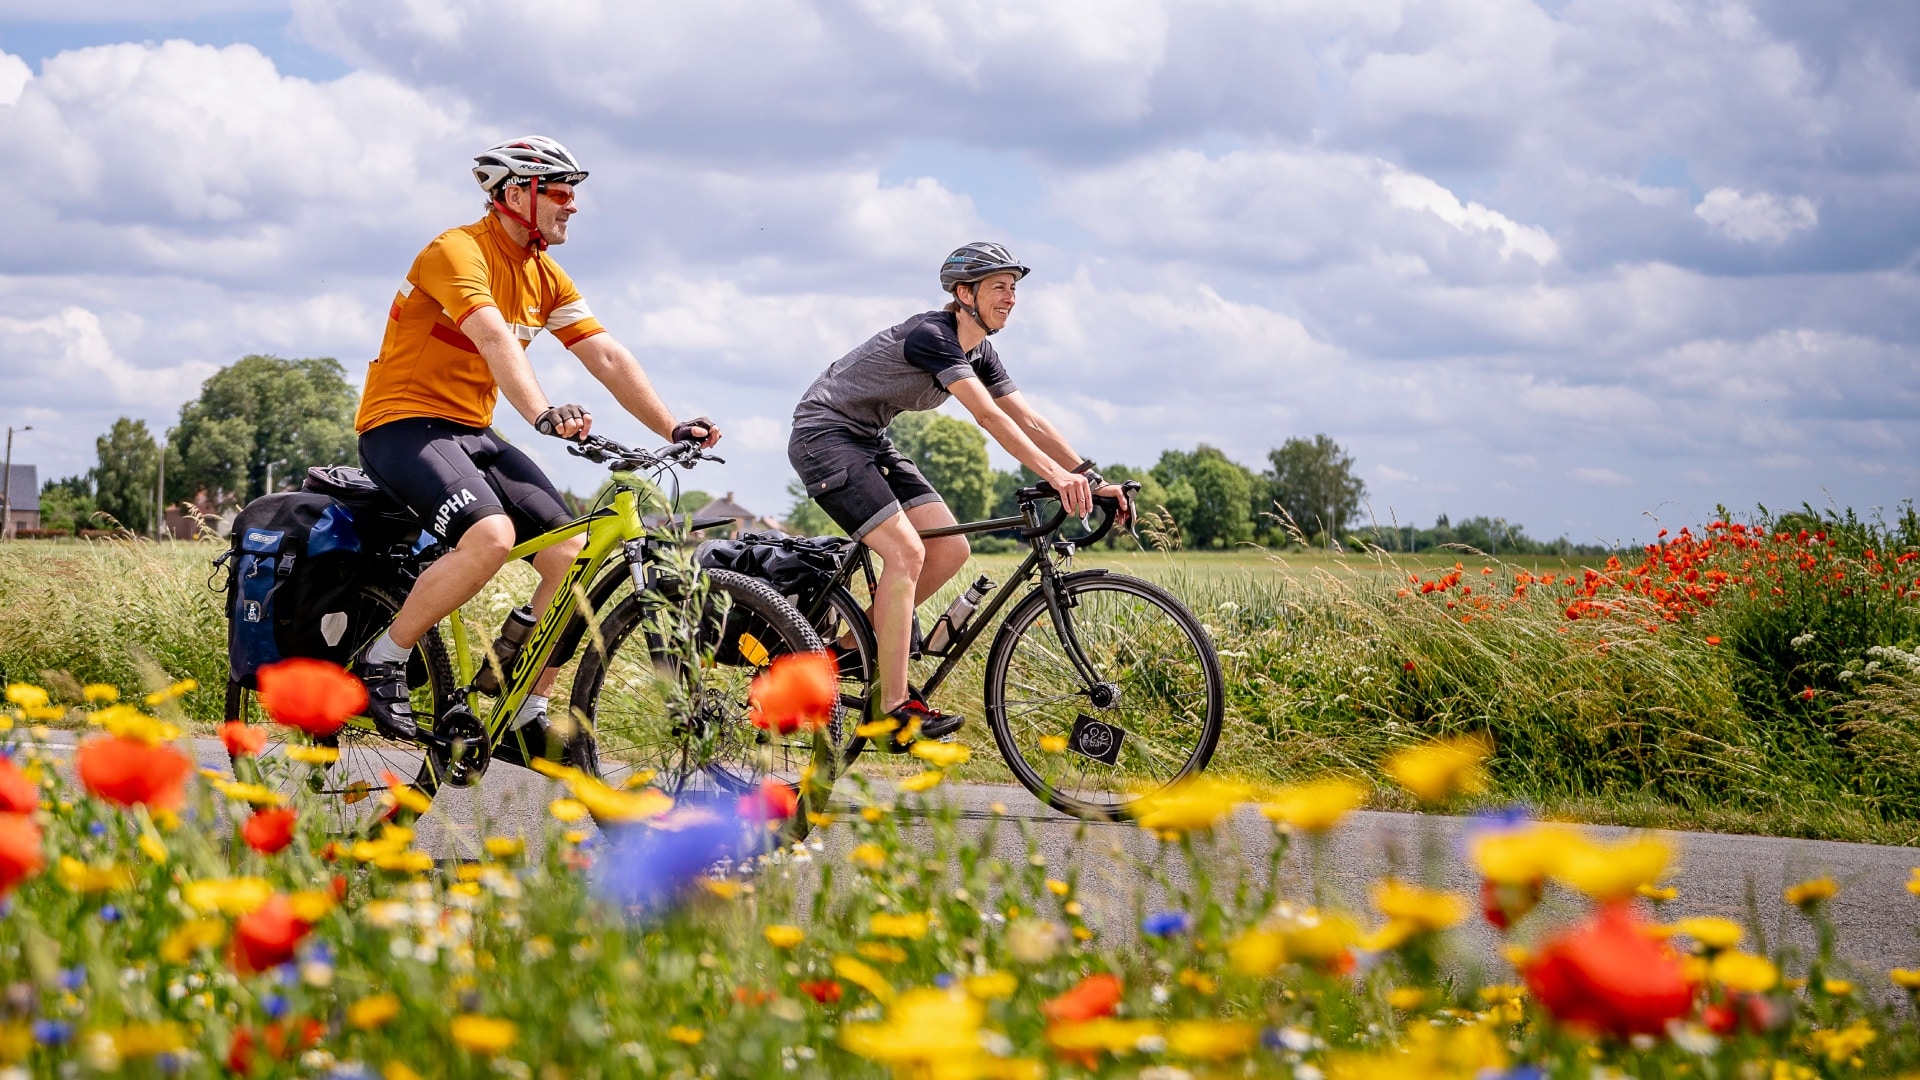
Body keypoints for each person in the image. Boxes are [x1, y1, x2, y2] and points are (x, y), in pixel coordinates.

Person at [353, 135, 719, 747]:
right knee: (492, 536)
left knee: (571, 558)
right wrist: (544, 414)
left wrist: (671, 426)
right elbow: (495, 339)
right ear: (513, 193)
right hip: (403, 424)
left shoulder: (543, 273)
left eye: (574, 193)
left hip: (472, 430)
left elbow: (603, 354)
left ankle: (523, 704)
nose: (572, 205)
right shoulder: (457, 250)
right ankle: (383, 658)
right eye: (559, 191)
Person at [788, 242, 1126, 744]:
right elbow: (988, 415)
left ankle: (844, 651)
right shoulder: (932, 336)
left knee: (950, 547)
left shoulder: (981, 351)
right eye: (999, 287)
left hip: (870, 439)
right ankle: (894, 710)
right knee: (905, 552)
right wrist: (1056, 477)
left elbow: (1027, 418)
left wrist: (1089, 478)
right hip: (824, 436)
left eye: (1014, 288)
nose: (1010, 297)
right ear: (964, 293)